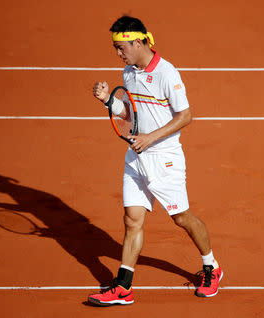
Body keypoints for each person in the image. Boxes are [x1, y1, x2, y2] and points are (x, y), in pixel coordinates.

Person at [88, 16, 222, 306]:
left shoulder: (166, 73)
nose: (117, 53)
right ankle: (123, 287)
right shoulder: (128, 73)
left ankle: (212, 266)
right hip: (136, 157)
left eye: (121, 46)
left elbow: (185, 116)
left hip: (165, 159)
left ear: (138, 42)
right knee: (132, 220)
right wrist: (109, 102)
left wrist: (151, 138)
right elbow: (131, 115)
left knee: (181, 218)